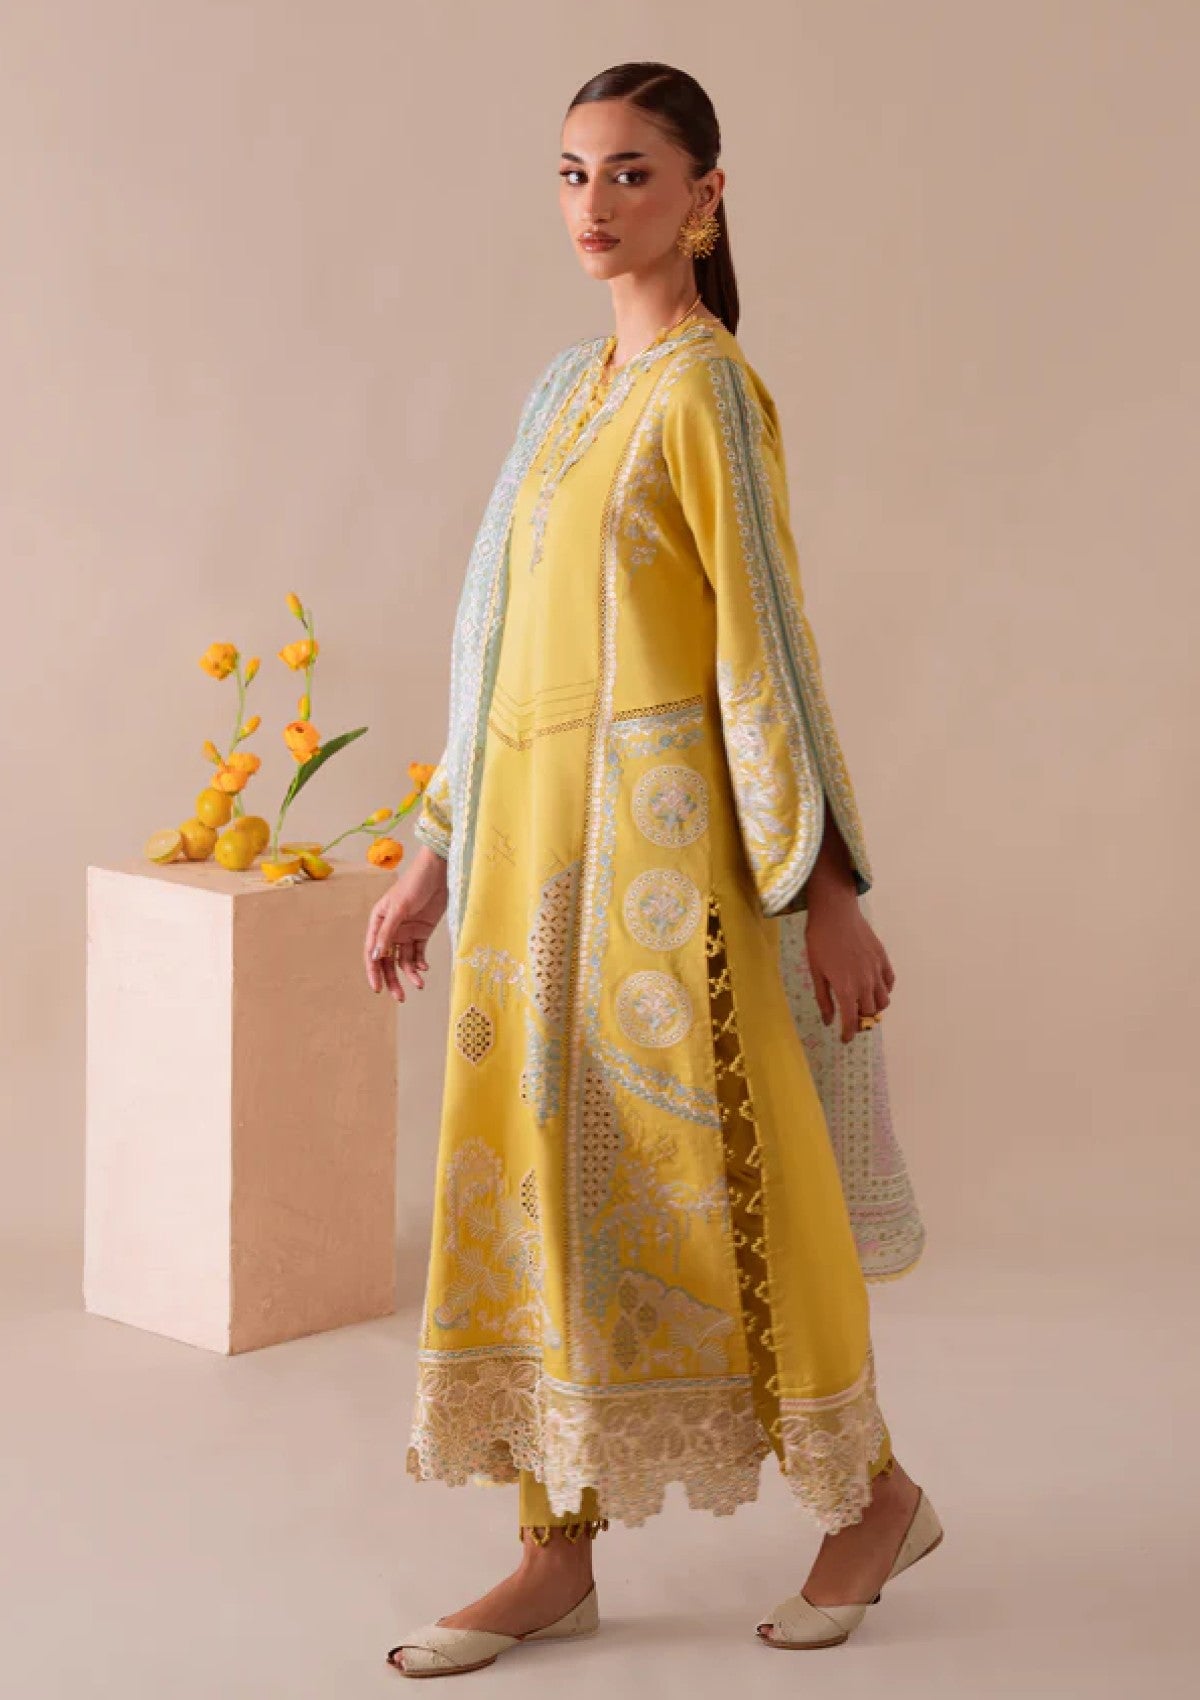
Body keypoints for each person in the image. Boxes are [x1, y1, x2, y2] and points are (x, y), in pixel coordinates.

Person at [364, 61, 941, 1677]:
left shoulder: (706, 394)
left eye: (629, 171)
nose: (594, 203)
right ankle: (553, 1554)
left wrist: (828, 890)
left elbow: (770, 649)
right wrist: (430, 856)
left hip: (666, 884)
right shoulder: (563, 395)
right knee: (532, 1197)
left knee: (733, 1193)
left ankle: (873, 1498)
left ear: (705, 194)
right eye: (571, 173)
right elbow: (489, 651)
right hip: (521, 885)